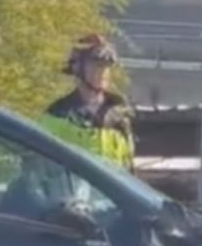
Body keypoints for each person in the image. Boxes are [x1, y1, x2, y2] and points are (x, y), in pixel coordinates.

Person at [40, 33, 135, 170]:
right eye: (96, 65)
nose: (103, 72)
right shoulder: (57, 116)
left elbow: (129, 168)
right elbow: (44, 168)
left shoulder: (119, 115)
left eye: (106, 67)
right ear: (76, 68)